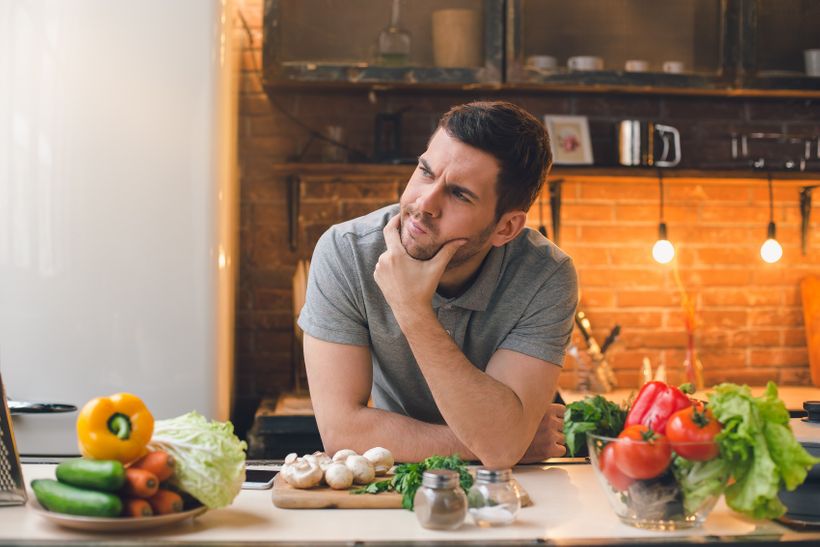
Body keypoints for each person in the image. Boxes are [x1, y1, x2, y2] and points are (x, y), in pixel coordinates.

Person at [298, 101, 578, 468]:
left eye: (460, 194)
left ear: (505, 227)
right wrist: (499, 443)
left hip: (515, 494)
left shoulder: (546, 276)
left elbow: (501, 447)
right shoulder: (346, 252)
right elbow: (342, 433)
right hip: (395, 484)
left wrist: (412, 310)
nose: (425, 203)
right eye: (426, 172)